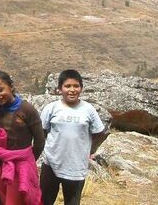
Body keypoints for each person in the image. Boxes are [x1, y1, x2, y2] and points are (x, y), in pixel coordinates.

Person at [40, 70, 108, 205]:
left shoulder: (88, 109)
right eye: (67, 86)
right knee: (44, 201)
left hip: (76, 167)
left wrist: (88, 149)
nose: (72, 90)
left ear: (81, 88)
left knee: (72, 201)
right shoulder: (51, 108)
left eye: (76, 86)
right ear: (59, 89)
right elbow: (43, 131)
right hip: (51, 164)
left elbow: (99, 132)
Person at [0, 71, 44, 205]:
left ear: (11, 87)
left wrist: (27, 161)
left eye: (0, 89)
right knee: (4, 199)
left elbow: (39, 141)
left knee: (17, 200)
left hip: (20, 166)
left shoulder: (27, 109)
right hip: (0, 165)